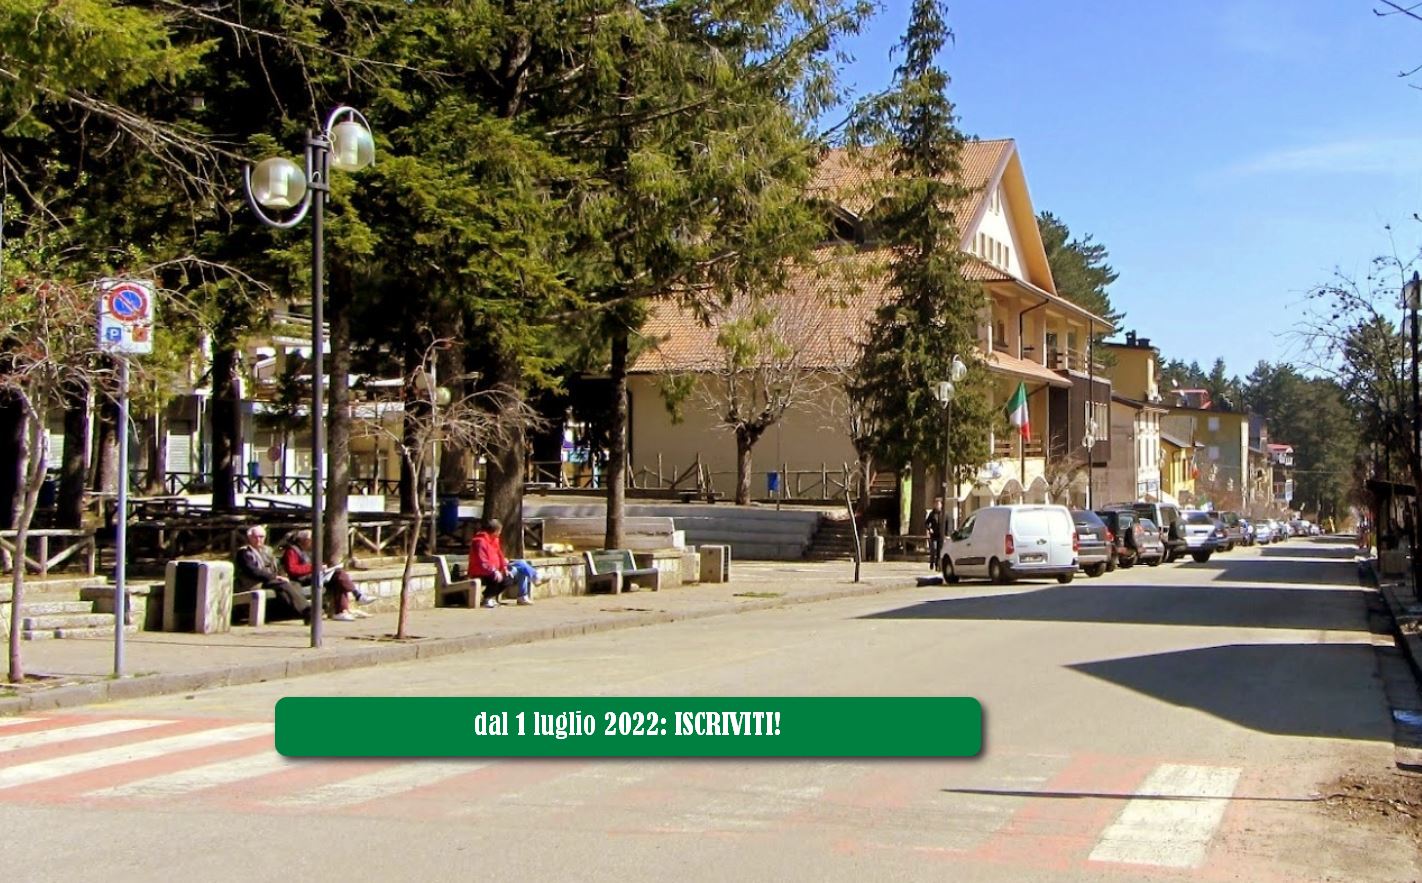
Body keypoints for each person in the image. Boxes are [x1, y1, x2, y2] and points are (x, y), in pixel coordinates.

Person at [281, 530, 368, 621]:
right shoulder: (292, 551)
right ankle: (356, 596)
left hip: (312, 576)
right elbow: (292, 569)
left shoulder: (306, 551)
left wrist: (322, 567)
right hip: (302, 579)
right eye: (311, 540)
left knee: (339, 577)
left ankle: (343, 610)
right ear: (304, 540)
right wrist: (315, 567)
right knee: (339, 575)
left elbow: (309, 565)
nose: (312, 542)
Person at [234, 526, 311, 624]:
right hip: (253, 583)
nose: (258, 539)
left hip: (269, 581)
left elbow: (277, 567)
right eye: (255, 537)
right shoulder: (244, 552)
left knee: (294, 584)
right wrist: (275, 577)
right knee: (283, 585)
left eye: (261, 537)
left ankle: (297, 611)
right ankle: (306, 611)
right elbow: (252, 571)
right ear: (249, 538)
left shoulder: (267, 550)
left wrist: (282, 576)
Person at [467, 519, 522, 607]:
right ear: (495, 531)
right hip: (480, 571)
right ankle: (487, 598)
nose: (500, 533)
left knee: (508, 578)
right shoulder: (479, 541)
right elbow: (482, 561)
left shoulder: (494, 540)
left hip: (493, 569)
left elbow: (499, 554)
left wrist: (504, 567)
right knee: (495, 578)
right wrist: (493, 570)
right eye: (499, 531)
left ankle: (489, 596)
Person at [926, 498, 945, 570]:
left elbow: (947, 524)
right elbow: (926, 523)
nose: (937, 506)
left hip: (941, 535)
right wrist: (929, 529)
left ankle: (937, 565)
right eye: (936, 504)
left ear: (941, 505)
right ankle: (932, 563)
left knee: (939, 551)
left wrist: (947, 534)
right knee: (933, 549)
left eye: (938, 504)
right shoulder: (932, 514)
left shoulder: (944, 514)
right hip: (933, 535)